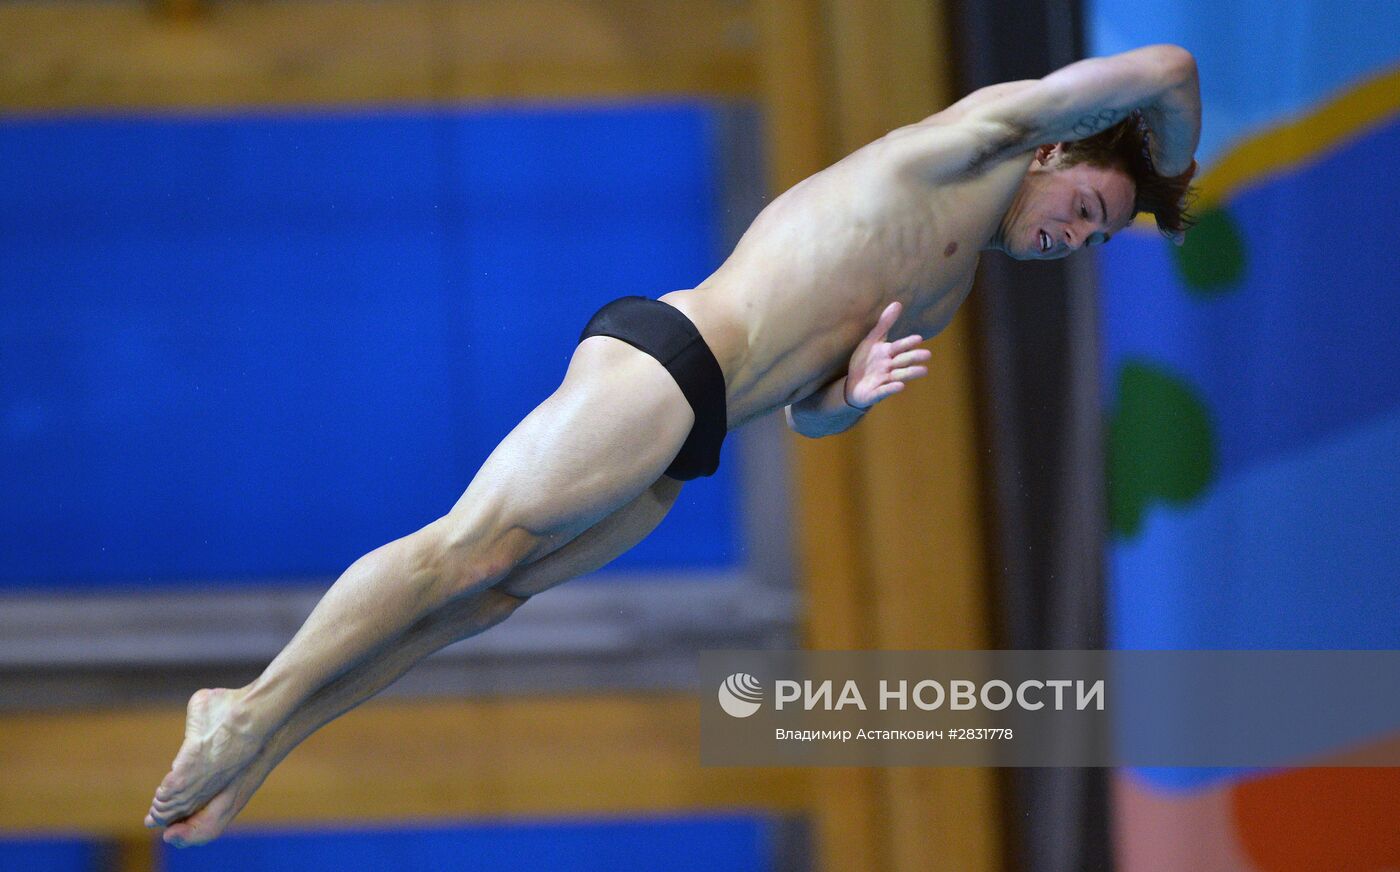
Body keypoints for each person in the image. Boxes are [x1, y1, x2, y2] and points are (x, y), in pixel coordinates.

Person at [145, 43, 1200, 845]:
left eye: (1095, 238)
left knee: (485, 597)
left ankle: (268, 739)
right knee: (465, 547)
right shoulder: (969, 142)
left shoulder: (945, 288)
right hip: (670, 359)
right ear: (1057, 149)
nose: (1074, 237)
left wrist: (856, 392)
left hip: (690, 440)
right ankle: (245, 705)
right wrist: (1168, 172)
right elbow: (1169, 64)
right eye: (1083, 207)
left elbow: (806, 417)